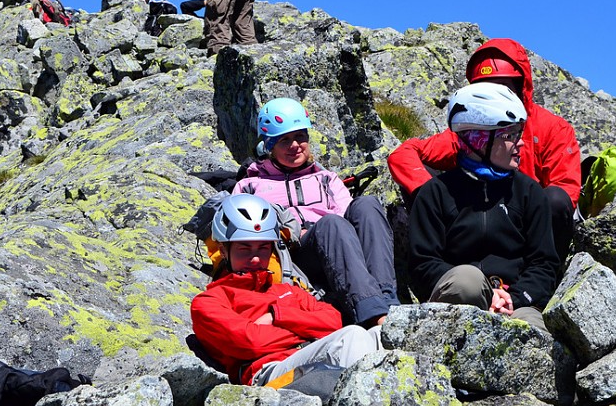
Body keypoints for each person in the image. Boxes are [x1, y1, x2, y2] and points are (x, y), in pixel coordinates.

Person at [387, 38, 581, 260]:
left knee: (556, 200)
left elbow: (565, 193)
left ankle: (544, 272)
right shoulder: (470, 133)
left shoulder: (554, 129)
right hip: (474, 233)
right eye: (487, 87)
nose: (496, 95)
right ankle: (442, 265)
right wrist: (429, 195)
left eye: (503, 86)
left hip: (530, 234)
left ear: (521, 86)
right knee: (427, 180)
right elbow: (403, 155)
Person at [233, 98, 399, 327]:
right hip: (293, 255)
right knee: (330, 223)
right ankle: (371, 314)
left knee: (367, 205)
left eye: (300, 137)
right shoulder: (250, 186)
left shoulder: (326, 178)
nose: (294, 145)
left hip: (337, 245)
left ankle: (387, 299)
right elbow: (244, 231)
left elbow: (349, 217)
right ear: (270, 146)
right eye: (284, 140)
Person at [408, 83, 560, 332]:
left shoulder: (530, 193)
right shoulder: (435, 193)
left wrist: (514, 298)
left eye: (518, 133)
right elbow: (423, 264)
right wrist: (487, 293)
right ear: (478, 140)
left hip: (515, 304)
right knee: (467, 281)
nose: (520, 144)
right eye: (509, 136)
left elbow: (544, 264)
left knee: (533, 331)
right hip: (457, 299)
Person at [190, 193, 383, 386]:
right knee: (352, 337)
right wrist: (308, 330)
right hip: (268, 372)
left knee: (378, 335)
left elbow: (333, 321)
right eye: (244, 249)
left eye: (263, 248)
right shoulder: (208, 302)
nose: (255, 258)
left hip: (314, 355)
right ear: (223, 250)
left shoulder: (288, 290)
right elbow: (251, 343)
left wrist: (278, 317)